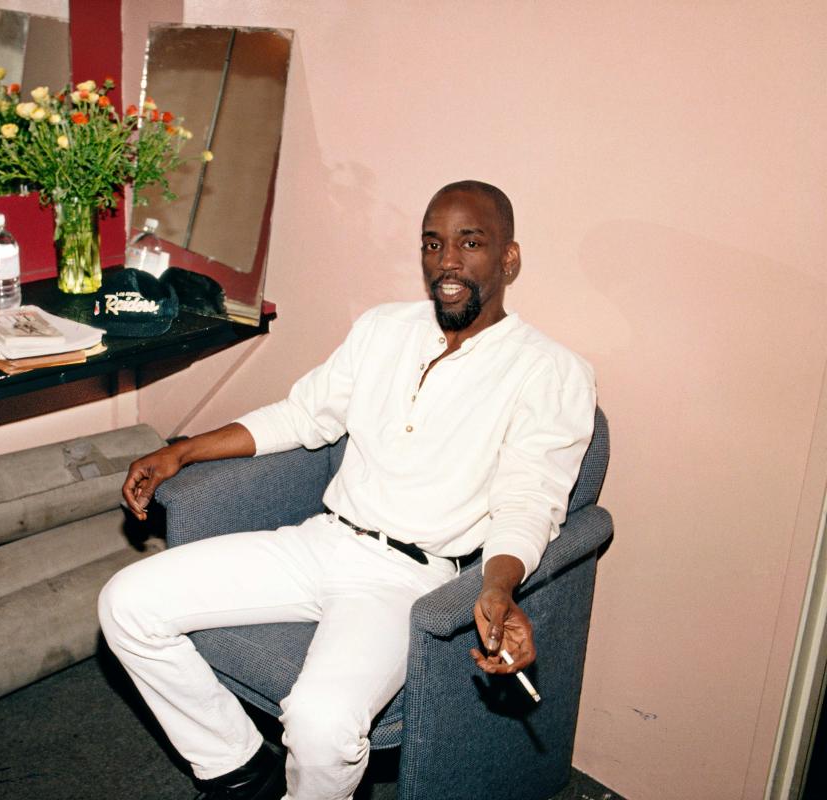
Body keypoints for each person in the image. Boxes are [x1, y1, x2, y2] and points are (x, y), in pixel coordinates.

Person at [98, 181, 597, 800]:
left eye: (470, 243)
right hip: (322, 540)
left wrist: (498, 586)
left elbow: (529, 502)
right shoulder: (383, 328)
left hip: (406, 580)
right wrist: (181, 450)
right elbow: (302, 416)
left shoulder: (550, 371)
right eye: (433, 244)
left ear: (509, 258)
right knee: (126, 603)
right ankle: (239, 770)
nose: (447, 261)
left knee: (322, 723)